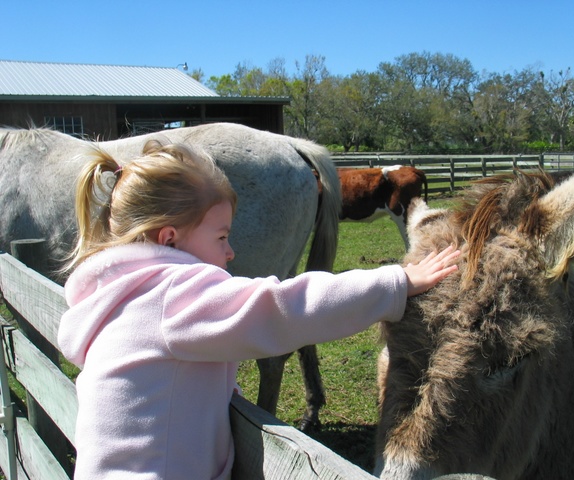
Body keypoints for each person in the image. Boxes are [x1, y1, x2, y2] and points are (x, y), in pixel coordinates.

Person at [57, 139, 460, 480]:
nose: (230, 252)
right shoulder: (172, 295)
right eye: (221, 237)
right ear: (170, 240)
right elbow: (284, 308)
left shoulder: (117, 297)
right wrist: (397, 283)